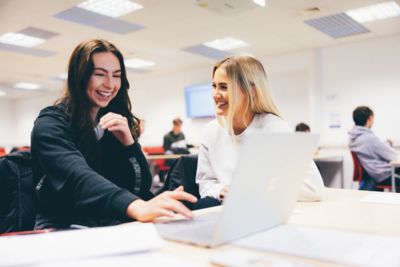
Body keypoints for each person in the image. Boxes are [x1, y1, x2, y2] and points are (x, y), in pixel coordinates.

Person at [31, 39, 196, 229]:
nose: (110, 84)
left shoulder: (112, 121)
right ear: (80, 77)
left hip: (108, 219)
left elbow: (140, 187)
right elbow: (77, 176)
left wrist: (129, 145)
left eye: (116, 75)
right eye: (100, 74)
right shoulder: (50, 124)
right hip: (63, 221)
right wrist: (133, 205)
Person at [195, 55, 324, 209]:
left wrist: (252, 190)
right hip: (228, 212)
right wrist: (221, 190)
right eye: (214, 86)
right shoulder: (210, 131)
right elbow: (205, 183)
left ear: (251, 90)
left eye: (224, 87)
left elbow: (312, 189)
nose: (215, 95)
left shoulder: (273, 128)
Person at [348, 106, 399, 189]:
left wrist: (385, 143)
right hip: (382, 175)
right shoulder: (370, 138)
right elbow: (393, 156)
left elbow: (372, 148)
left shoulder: (353, 137)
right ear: (369, 119)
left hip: (371, 174)